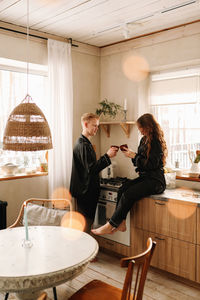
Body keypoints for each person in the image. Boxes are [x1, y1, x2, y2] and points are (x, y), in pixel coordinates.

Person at [92, 113, 167, 235]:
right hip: (146, 178)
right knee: (122, 189)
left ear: (147, 126)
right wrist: (131, 155)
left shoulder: (156, 142)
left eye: (141, 128)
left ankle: (110, 224)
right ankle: (121, 223)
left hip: (156, 182)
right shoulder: (144, 140)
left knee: (128, 194)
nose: (140, 131)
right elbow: (140, 162)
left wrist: (135, 156)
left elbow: (151, 165)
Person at [70, 113, 118, 233]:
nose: (97, 128)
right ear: (86, 124)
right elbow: (91, 169)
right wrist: (107, 156)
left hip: (84, 191)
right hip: (85, 193)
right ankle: (85, 251)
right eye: (94, 126)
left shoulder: (83, 142)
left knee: (85, 225)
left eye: (98, 126)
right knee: (85, 226)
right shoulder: (83, 144)